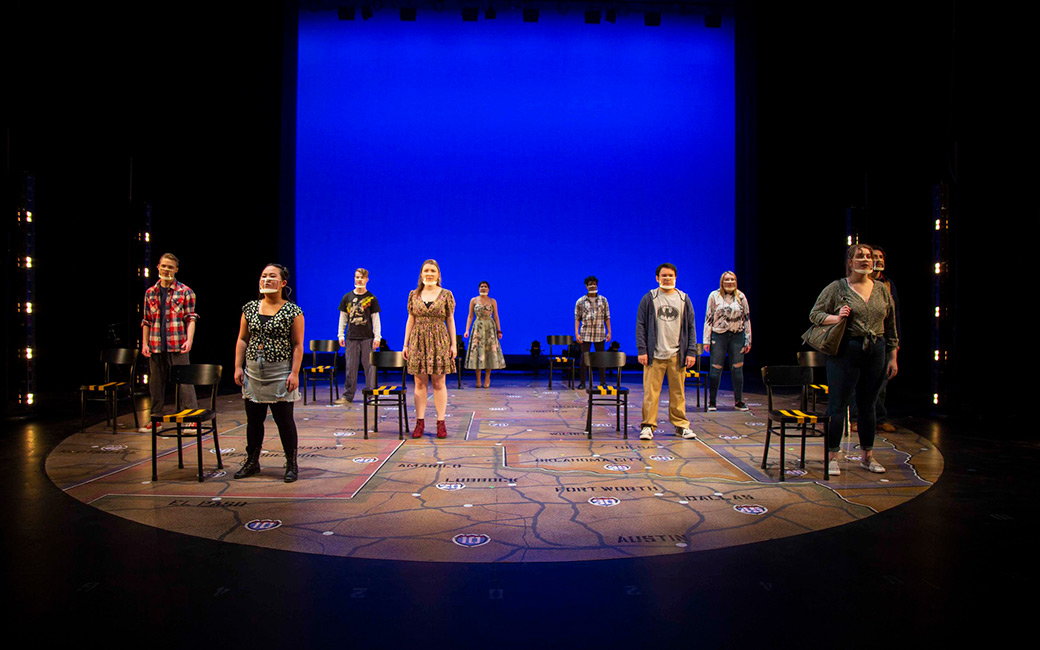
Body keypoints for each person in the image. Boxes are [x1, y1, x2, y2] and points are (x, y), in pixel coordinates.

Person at [809, 244, 898, 475]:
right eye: (860, 256)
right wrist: (836, 317)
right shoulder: (838, 288)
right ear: (850, 261)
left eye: (868, 257)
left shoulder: (881, 290)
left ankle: (867, 456)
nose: (866, 260)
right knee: (838, 404)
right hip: (847, 348)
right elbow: (815, 314)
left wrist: (892, 357)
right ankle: (832, 456)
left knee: (868, 406)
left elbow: (890, 327)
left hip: (876, 348)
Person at [233, 264, 305, 482]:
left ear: (283, 283)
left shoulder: (293, 311)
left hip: (280, 371)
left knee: (284, 421)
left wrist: (294, 373)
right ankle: (252, 461)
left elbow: (297, 345)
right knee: (254, 421)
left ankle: (291, 464)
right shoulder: (250, 308)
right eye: (263, 276)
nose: (266, 280)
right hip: (254, 371)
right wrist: (238, 366)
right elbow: (242, 339)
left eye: (272, 276)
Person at [635, 263, 698, 440]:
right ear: (657, 278)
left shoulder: (684, 299)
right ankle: (648, 426)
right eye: (664, 275)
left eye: (670, 275)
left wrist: (691, 351)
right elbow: (640, 325)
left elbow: (691, 327)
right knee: (650, 393)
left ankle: (681, 425)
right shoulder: (650, 298)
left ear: (675, 278)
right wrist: (642, 349)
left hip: (677, 355)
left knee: (678, 393)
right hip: (654, 355)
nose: (667, 278)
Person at [139, 253, 198, 431]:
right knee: (155, 383)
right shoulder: (150, 293)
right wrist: (144, 343)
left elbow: (191, 318)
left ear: (176, 270)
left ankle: (191, 417)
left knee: (185, 382)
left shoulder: (185, 291)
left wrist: (189, 340)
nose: (166, 269)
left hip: (177, 343)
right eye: (164, 266)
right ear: (158, 267)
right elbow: (146, 320)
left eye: (170, 267)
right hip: (156, 344)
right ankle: (155, 419)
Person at [403, 259, 457, 439]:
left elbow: (450, 319)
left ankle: (441, 423)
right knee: (419, 383)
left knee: (439, 383)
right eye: (426, 270)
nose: (429, 273)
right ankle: (420, 422)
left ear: (438, 274)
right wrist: (405, 344)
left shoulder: (446, 294)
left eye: (433, 270)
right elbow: (410, 319)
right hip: (418, 341)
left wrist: (453, 344)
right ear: (421, 274)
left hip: (439, 341)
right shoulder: (414, 294)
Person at [703, 271, 752, 411]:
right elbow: (708, 318)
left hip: (737, 335)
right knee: (716, 368)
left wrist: (748, 340)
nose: (730, 282)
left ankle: (739, 401)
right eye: (727, 280)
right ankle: (712, 402)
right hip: (719, 335)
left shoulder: (741, 296)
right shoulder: (714, 296)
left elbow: (747, 319)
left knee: (737, 368)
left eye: (732, 280)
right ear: (722, 282)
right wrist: (706, 339)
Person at [337, 268, 381, 402]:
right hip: (351, 337)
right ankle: (348, 395)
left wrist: (377, 337)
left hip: (367, 337)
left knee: (370, 367)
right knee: (350, 367)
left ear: (367, 279)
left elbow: (375, 319)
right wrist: (340, 334)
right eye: (357, 277)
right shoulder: (347, 297)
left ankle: (372, 395)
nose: (359, 280)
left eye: (362, 277)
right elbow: (343, 317)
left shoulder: (372, 298)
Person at [463, 281, 505, 388]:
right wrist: (467, 330)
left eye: (485, 287)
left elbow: (496, 316)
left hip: (489, 328)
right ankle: (477, 379)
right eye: (481, 286)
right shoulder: (473, 300)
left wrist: (499, 330)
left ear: (489, 289)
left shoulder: (492, 301)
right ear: (478, 288)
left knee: (489, 352)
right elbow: (470, 316)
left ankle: (487, 378)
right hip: (478, 327)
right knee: (478, 353)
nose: (483, 288)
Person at [575, 275, 611, 389]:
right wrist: (577, 333)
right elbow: (577, 318)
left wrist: (609, 332)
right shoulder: (580, 301)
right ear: (586, 286)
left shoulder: (603, 300)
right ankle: (582, 382)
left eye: (594, 284)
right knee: (584, 358)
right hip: (585, 332)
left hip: (599, 332)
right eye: (590, 284)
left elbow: (607, 317)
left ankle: (603, 382)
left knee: (601, 357)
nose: (592, 286)